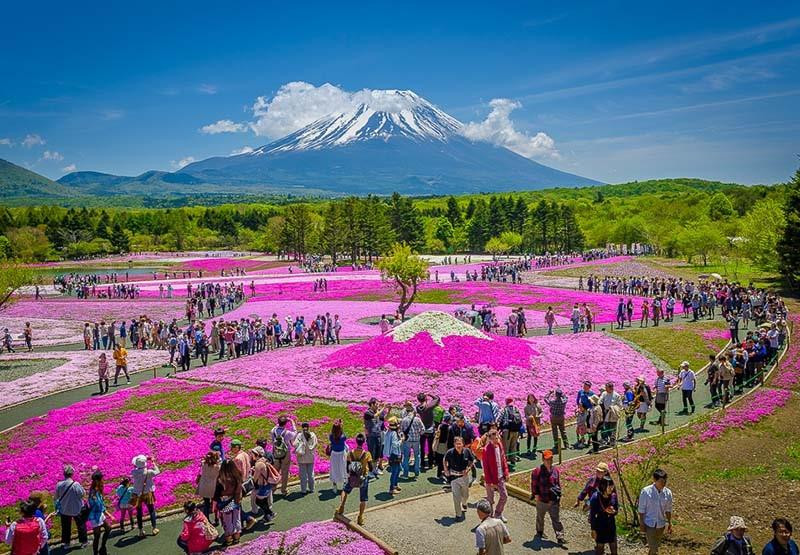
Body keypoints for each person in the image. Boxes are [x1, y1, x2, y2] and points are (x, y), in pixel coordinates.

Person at [336, 433, 373, 525]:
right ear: (364, 442)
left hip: (352, 476)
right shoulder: (367, 454)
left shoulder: (350, 453)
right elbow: (371, 468)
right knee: (363, 498)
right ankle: (360, 517)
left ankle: (341, 506)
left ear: (356, 442)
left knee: (345, 490)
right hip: (363, 477)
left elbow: (347, 466)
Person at [530, 450, 565, 545]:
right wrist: (536, 495)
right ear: (543, 459)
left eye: (550, 459)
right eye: (547, 459)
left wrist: (558, 497)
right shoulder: (537, 471)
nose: (549, 461)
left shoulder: (556, 470)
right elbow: (534, 485)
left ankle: (560, 536)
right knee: (540, 517)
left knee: (556, 519)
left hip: (553, 500)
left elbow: (557, 484)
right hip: (542, 499)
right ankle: (540, 532)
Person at [638, 468, 673, 555]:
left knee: (655, 547)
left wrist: (669, 523)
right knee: (654, 549)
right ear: (655, 480)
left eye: (665, 481)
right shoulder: (646, 492)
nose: (663, 483)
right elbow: (641, 510)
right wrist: (641, 524)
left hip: (661, 525)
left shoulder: (668, 493)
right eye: (661, 481)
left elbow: (668, 509)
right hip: (649, 524)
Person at [54, 464, 88, 549]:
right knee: (81, 525)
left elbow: (56, 497)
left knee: (66, 527)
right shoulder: (75, 484)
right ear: (72, 474)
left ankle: (66, 543)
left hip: (64, 509)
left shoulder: (59, 485)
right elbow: (82, 494)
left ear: (64, 474)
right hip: (77, 508)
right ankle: (83, 542)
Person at [481, 427, 509, 523]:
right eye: (493, 439)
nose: (495, 440)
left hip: (500, 476)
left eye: (496, 438)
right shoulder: (486, 450)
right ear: (489, 439)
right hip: (490, 479)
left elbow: (503, 459)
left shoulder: (500, 445)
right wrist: (490, 482)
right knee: (490, 500)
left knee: (504, 496)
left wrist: (506, 472)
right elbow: (486, 468)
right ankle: (490, 517)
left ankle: (498, 513)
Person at [444, 436, 475, 521]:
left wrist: (468, 469)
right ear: (454, 444)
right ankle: (458, 514)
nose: (458, 445)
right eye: (457, 443)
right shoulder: (450, 452)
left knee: (466, 495)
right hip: (453, 478)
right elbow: (445, 460)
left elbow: (472, 461)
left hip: (464, 477)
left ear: (463, 444)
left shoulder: (467, 451)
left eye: (460, 443)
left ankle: (464, 503)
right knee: (456, 497)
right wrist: (446, 469)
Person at [214, 459, 243, 546]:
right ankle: (237, 538)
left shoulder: (221, 479)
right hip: (236, 500)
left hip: (225, 502)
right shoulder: (238, 476)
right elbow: (238, 490)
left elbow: (216, 493)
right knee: (237, 519)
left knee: (227, 522)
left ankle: (228, 540)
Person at [131, 454, 160, 537]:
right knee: (151, 510)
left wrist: (142, 461)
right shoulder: (149, 472)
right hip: (148, 493)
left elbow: (136, 467)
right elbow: (157, 471)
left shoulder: (134, 472)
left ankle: (140, 531)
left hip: (137, 494)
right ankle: (154, 528)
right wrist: (153, 462)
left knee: (139, 513)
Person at [589, 476, 618, 555]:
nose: (611, 489)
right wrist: (593, 530)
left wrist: (613, 511)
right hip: (600, 525)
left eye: (612, 486)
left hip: (611, 524)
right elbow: (592, 515)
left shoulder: (613, 496)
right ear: (603, 486)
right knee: (600, 548)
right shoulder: (595, 497)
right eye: (609, 486)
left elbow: (616, 509)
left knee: (614, 548)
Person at [86, 470, 113, 555]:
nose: (103, 480)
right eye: (102, 479)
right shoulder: (93, 493)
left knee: (108, 528)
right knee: (97, 536)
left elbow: (101, 504)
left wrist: (108, 514)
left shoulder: (98, 489)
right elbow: (98, 505)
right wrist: (108, 513)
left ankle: (103, 547)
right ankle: (96, 553)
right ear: (98, 480)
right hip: (94, 517)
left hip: (99, 514)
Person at [270, 415, 298, 496]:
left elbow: (274, 428)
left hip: (275, 453)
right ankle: (283, 489)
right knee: (285, 472)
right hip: (285, 453)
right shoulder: (287, 432)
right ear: (286, 424)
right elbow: (295, 433)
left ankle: (273, 489)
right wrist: (292, 422)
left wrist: (279, 423)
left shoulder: (273, 431)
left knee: (275, 471)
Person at [250, 446, 278, 523]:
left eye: (253, 453)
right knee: (264, 501)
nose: (252, 455)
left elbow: (255, 478)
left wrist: (252, 473)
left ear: (257, 454)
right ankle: (267, 516)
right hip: (267, 484)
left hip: (263, 485)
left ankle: (270, 513)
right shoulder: (264, 461)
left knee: (258, 501)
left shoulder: (258, 464)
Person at [416, 392, 441, 471]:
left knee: (422, 447)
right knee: (430, 447)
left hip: (422, 430)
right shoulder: (429, 406)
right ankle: (430, 463)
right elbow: (437, 398)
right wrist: (429, 394)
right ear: (425, 398)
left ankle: (422, 463)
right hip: (430, 429)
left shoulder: (418, 408)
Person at [400, 402, 425, 479]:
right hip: (416, 440)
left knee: (406, 457)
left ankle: (405, 474)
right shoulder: (418, 419)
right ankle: (416, 474)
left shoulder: (404, 420)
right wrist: (418, 433)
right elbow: (423, 430)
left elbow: (401, 431)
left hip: (407, 441)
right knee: (417, 456)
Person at [363, 398, 388, 475]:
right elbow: (375, 416)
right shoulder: (367, 413)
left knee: (377, 453)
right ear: (372, 404)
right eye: (376, 404)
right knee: (371, 453)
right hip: (371, 436)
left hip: (378, 435)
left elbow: (384, 419)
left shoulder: (377, 411)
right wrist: (383, 408)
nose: (378, 406)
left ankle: (375, 469)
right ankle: (370, 470)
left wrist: (388, 410)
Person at [196, 451, 221, 523]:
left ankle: (206, 520)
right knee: (215, 503)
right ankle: (217, 519)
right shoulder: (217, 467)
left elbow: (203, 461)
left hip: (204, 486)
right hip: (213, 487)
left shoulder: (203, 464)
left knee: (206, 504)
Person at [293, 422, 318, 494]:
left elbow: (294, 444)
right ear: (308, 427)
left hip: (301, 457)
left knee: (303, 475)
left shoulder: (300, 435)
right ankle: (312, 489)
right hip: (310, 457)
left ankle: (303, 490)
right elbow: (315, 444)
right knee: (311, 474)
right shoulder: (313, 435)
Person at [544, 389, 570, 453]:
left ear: (556, 395)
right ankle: (566, 445)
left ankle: (556, 445)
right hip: (561, 417)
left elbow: (545, 398)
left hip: (554, 418)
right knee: (563, 431)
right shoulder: (564, 401)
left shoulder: (553, 402)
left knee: (555, 432)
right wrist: (562, 394)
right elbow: (566, 397)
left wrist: (550, 393)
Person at [383, 417, 403, 495]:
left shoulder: (388, 431)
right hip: (394, 454)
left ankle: (395, 485)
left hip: (390, 454)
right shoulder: (394, 433)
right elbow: (395, 445)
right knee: (395, 471)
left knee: (397, 470)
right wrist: (401, 440)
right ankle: (391, 488)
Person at [498, 397, 522, 463]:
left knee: (506, 447)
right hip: (516, 430)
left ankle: (505, 462)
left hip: (507, 431)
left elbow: (499, 419)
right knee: (513, 446)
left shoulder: (504, 409)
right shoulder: (516, 409)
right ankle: (513, 460)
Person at [329, 419, 348, 493]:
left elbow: (334, 434)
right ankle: (344, 483)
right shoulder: (343, 436)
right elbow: (342, 434)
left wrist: (338, 425)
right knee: (343, 468)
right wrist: (341, 425)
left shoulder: (331, 436)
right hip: (341, 454)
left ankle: (334, 485)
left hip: (334, 454)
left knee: (334, 469)